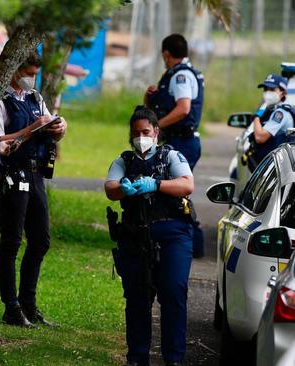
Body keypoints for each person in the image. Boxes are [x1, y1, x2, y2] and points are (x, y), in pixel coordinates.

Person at [105, 106, 194, 366]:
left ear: (156, 132)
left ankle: (173, 359)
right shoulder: (125, 161)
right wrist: (124, 188)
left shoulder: (171, 157)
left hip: (173, 234)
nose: (140, 137)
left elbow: (187, 184)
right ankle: (137, 357)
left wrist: (157, 184)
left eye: (145, 132)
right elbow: (110, 187)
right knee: (137, 296)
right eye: (135, 133)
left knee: (173, 291)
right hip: (135, 236)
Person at [0, 53, 67, 327]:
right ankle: (11, 307)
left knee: (41, 240)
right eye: (28, 72)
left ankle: (28, 304)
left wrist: (59, 129)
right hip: (13, 174)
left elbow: (48, 127)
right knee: (11, 241)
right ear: (14, 69)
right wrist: (30, 130)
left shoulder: (35, 97)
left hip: (36, 175)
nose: (31, 77)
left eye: (35, 72)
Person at [144, 33, 204, 259]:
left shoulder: (181, 76)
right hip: (178, 140)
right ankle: (175, 240)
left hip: (183, 141)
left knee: (177, 192)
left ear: (166, 54)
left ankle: (191, 243)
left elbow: (183, 109)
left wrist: (155, 126)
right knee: (171, 191)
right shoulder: (177, 74)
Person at [245, 74, 295, 171]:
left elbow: (260, 137)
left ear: (282, 93)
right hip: (272, 166)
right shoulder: (270, 111)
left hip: (278, 168)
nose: (267, 92)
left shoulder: (280, 113)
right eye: (265, 89)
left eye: (272, 89)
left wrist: (257, 116)